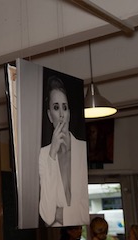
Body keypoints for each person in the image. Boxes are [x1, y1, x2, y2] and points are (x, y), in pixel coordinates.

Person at [39, 76, 89, 226]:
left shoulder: (83, 149)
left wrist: (62, 214)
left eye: (64, 107)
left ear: (69, 113)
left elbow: (86, 212)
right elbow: (47, 216)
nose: (61, 114)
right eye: (56, 107)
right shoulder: (44, 155)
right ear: (49, 115)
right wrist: (52, 154)